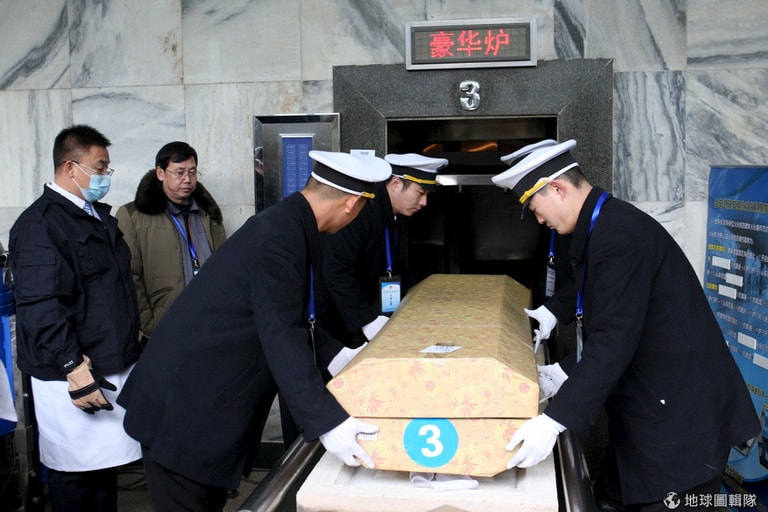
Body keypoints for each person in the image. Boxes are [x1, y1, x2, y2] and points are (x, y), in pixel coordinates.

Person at [117, 150, 392, 511]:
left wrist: (343, 358)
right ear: (352, 204)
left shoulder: (289, 224)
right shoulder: (281, 236)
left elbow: (290, 316)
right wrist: (327, 422)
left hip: (201, 406)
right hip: (184, 410)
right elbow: (281, 334)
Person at [494, 139, 760, 511]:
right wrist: (564, 365)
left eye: (536, 209)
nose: (540, 220)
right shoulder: (602, 225)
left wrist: (555, 420)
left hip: (679, 427)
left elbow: (614, 338)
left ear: (557, 188)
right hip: (645, 413)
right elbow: (610, 312)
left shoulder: (619, 235)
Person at [9, 125, 142, 511]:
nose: (105, 176)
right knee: (76, 477)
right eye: (99, 168)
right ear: (70, 167)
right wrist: (73, 366)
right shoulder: (39, 224)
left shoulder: (94, 216)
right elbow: (41, 304)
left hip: (109, 365)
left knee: (103, 475)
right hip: (71, 375)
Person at [315, 152, 449, 352]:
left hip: (360, 312)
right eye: (420, 193)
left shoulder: (391, 213)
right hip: (333, 320)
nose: (424, 203)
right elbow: (337, 271)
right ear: (395, 184)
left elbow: (393, 264)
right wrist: (366, 321)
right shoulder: (362, 210)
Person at [116, 141, 226, 342]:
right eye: (179, 172)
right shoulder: (132, 216)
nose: (187, 179)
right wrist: (148, 325)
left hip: (211, 322)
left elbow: (225, 267)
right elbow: (129, 276)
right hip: (164, 326)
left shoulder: (208, 214)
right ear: (160, 173)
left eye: (192, 172)